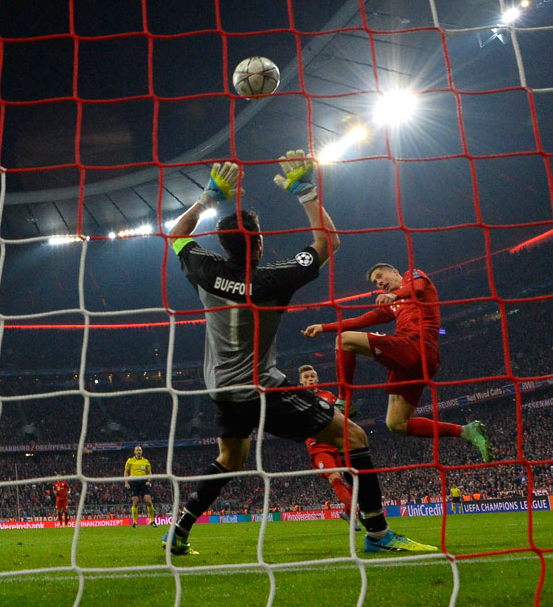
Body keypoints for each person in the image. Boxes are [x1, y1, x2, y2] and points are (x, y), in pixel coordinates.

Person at [162, 151, 435, 555]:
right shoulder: (275, 277)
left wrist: (207, 198)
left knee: (229, 458)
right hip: (262, 386)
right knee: (354, 435)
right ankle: (378, 535)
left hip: (220, 386)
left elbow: (177, 235)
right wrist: (304, 190)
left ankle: (178, 533)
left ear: (222, 244)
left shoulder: (204, 268)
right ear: (259, 244)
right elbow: (329, 242)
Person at [302, 263, 493, 461]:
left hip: (416, 346)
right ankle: (465, 431)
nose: (379, 282)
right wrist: (324, 327)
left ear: (394, 272)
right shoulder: (393, 304)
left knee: (345, 340)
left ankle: (344, 401)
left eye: (380, 276)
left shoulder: (414, 277)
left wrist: (396, 295)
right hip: (415, 363)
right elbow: (361, 320)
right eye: (376, 282)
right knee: (396, 424)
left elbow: (416, 289)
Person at [298, 365, 361, 531]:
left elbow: (341, 415)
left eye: (312, 376)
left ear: (317, 379)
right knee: (337, 479)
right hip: (318, 448)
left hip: (337, 443)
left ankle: (347, 512)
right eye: (306, 377)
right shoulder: (297, 399)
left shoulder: (329, 396)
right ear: (301, 381)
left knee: (356, 479)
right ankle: (355, 513)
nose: (310, 379)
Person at [123, 446, 156, 528]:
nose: (138, 451)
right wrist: (126, 482)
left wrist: (149, 480)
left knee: (148, 500)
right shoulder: (130, 461)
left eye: (140, 450)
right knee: (136, 501)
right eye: (137, 450)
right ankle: (134, 522)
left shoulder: (146, 461)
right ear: (134, 452)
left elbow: (149, 472)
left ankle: (152, 521)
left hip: (144, 482)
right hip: (134, 482)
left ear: (142, 451)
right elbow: (126, 472)